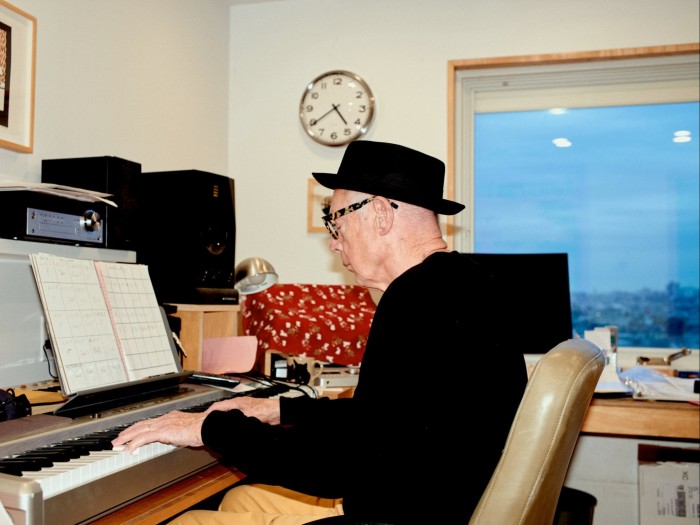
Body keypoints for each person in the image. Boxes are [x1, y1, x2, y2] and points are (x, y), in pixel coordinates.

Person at [112, 140, 528, 525]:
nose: (334, 242)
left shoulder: (415, 300)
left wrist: (206, 429)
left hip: (397, 514)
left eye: (336, 221)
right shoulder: (469, 284)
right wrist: (282, 411)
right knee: (242, 501)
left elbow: (341, 466)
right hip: (431, 500)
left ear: (381, 213)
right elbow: (391, 421)